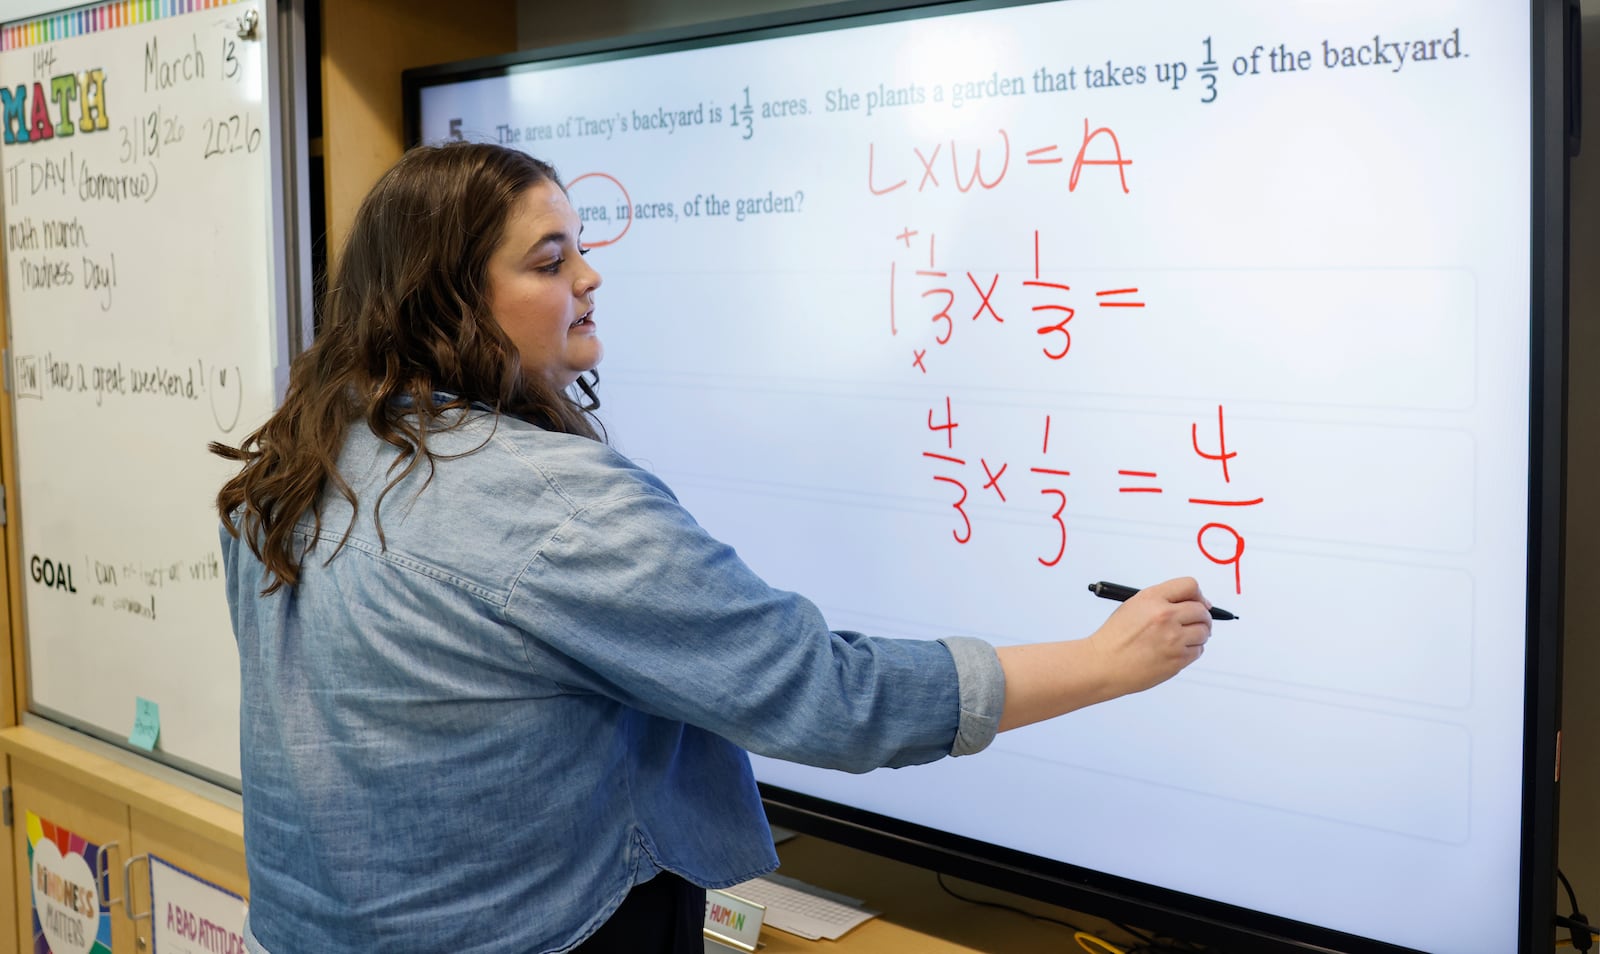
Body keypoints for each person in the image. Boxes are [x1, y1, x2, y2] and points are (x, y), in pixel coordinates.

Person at [212, 141, 1212, 954]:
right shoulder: (543, 503)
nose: (590, 277)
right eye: (550, 260)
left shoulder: (295, 466)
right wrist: (1102, 663)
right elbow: (829, 698)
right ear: (450, 300)